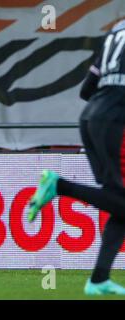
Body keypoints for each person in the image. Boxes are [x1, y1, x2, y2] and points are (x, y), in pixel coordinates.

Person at [27, 20, 125, 295]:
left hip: (92, 118)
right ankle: (58, 186)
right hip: (116, 123)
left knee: (120, 202)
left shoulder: (116, 30)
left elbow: (86, 89)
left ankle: (98, 279)